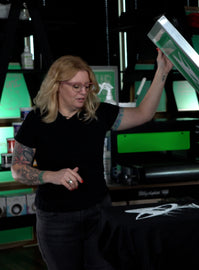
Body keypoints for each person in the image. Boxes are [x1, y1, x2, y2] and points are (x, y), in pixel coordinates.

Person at [11, 49, 173, 270]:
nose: (83, 92)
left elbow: (144, 113)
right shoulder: (37, 120)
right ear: (57, 85)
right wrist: (51, 175)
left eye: (86, 86)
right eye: (76, 86)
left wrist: (162, 71)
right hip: (56, 218)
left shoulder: (98, 113)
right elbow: (18, 169)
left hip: (99, 213)